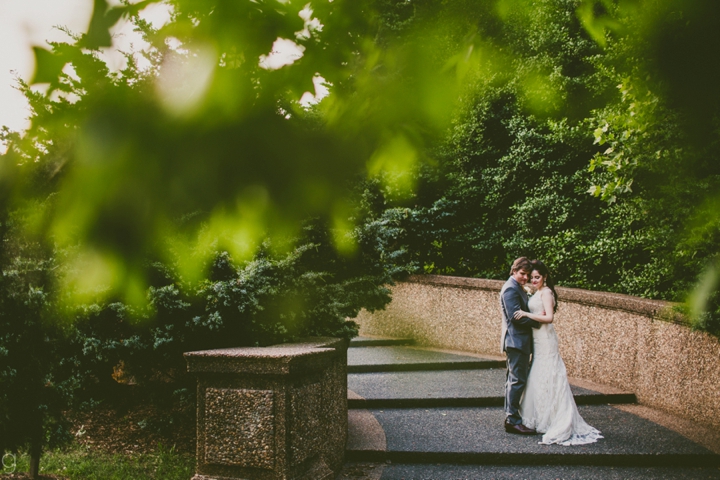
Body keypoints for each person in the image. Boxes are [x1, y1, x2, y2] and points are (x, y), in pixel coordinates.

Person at [513, 260, 603, 445]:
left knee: (549, 373)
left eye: (537, 277)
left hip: (546, 339)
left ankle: (555, 417)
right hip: (538, 339)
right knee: (538, 375)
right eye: (532, 278)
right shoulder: (536, 292)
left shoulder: (546, 292)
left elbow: (549, 317)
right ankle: (540, 416)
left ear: (545, 277)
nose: (534, 280)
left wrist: (527, 314)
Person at [500, 257, 541, 435]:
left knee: (514, 380)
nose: (525, 278)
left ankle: (511, 416)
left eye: (527, 275)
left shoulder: (516, 286)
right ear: (514, 271)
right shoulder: (510, 289)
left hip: (519, 341)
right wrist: (539, 321)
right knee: (517, 381)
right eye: (522, 274)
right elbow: (515, 317)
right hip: (516, 342)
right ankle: (512, 420)